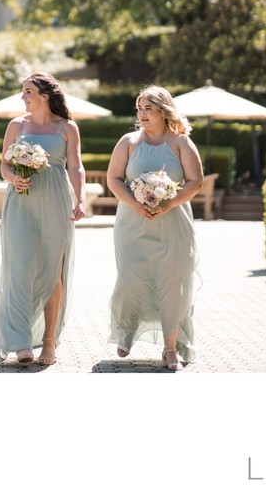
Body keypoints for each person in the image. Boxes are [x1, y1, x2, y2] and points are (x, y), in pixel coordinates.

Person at [0, 73, 86, 366]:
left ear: (44, 96)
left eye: (28, 92)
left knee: (52, 272)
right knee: (19, 268)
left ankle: (48, 343)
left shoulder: (68, 127)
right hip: (21, 200)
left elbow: (76, 167)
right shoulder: (16, 125)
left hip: (56, 200)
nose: (23, 97)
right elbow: (4, 166)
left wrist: (80, 199)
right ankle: (20, 341)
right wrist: (13, 179)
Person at [107, 85, 203, 371]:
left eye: (148, 107)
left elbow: (194, 182)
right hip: (132, 224)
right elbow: (114, 179)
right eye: (139, 108)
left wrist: (168, 203)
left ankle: (171, 349)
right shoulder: (128, 142)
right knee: (130, 279)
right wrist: (136, 205)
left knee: (171, 284)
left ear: (163, 111)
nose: (142, 113)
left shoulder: (181, 143)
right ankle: (126, 331)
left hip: (172, 223)